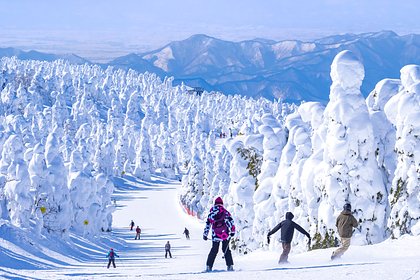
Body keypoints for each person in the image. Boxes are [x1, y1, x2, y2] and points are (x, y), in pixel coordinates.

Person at [203, 197, 235, 272]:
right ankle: (230, 266)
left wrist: (205, 234)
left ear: (215, 204)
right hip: (225, 234)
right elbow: (230, 222)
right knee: (226, 249)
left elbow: (208, 224)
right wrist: (232, 231)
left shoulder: (212, 213)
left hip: (215, 235)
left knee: (214, 250)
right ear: (222, 204)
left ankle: (209, 266)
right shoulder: (225, 212)